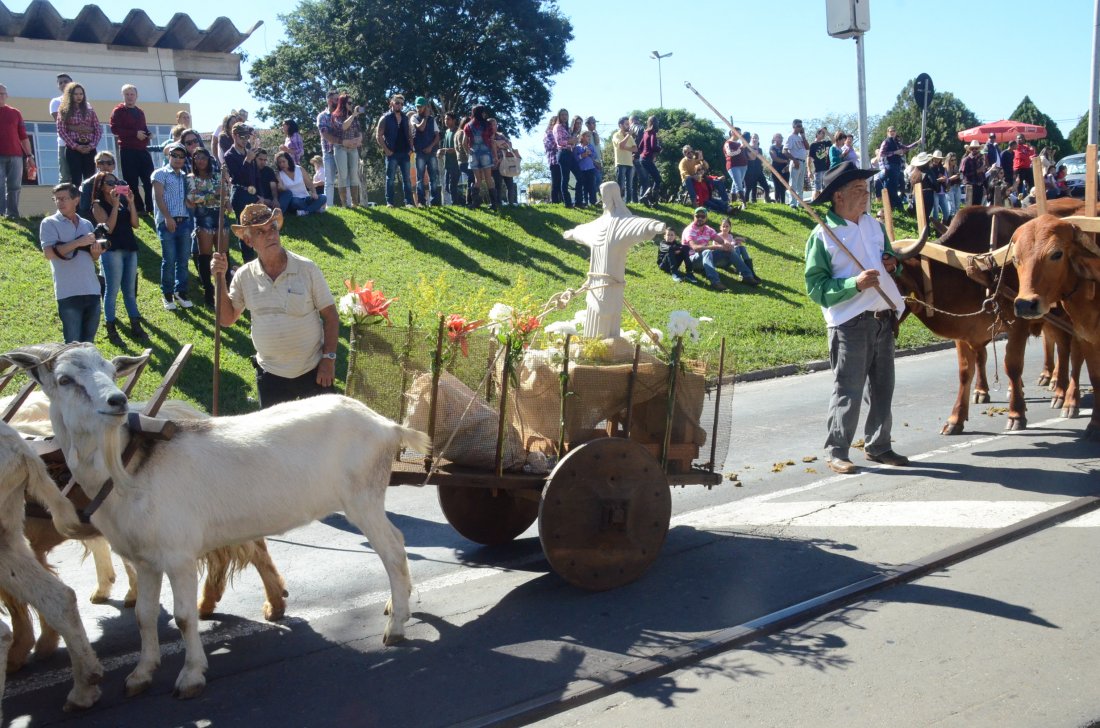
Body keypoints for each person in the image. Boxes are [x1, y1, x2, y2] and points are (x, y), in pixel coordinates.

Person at [804, 161, 908, 474]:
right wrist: (854, 284)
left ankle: (879, 445)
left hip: (882, 315)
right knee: (847, 389)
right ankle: (837, 450)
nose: (866, 196)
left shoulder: (874, 226)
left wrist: (892, 265)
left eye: (866, 189)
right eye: (858, 190)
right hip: (848, 322)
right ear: (838, 196)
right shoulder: (823, 235)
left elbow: (891, 263)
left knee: (882, 387)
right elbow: (817, 288)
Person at [211, 204, 339, 409]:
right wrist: (219, 278)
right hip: (271, 375)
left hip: (314, 371)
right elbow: (226, 319)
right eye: (260, 232)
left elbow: (331, 316)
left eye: (272, 228)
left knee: (326, 437)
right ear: (248, 240)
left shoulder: (306, 268)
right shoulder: (244, 276)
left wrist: (329, 360)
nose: (270, 235)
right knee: (277, 441)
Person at [40, 183, 103, 343]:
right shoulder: (49, 223)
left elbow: (91, 258)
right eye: (56, 199)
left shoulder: (86, 224)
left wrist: (96, 253)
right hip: (68, 292)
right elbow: (48, 254)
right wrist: (78, 242)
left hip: (92, 290)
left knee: (89, 343)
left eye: (63, 199)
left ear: (76, 200)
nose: (59, 203)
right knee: (72, 344)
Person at [91, 167, 145, 343]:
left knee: (129, 290)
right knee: (112, 291)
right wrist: (114, 206)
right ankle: (111, 328)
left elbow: (135, 224)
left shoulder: (121, 201)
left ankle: (135, 325)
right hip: (112, 250)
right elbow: (109, 228)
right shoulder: (97, 205)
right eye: (110, 182)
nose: (115, 185)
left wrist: (130, 202)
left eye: (117, 182)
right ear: (101, 186)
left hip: (129, 247)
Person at [152, 142, 194, 310]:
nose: (177, 159)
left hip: (184, 221)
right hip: (166, 221)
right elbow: (158, 197)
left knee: (183, 260)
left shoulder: (185, 176)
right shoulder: (160, 174)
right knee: (169, 260)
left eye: (181, 156)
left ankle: (180, 292)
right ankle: (167, 294)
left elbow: (189, 201)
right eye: (174, 155)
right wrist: (168, 218)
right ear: (168, 156)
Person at [683, 207, 759, 291]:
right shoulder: (689, 230)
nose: (700, 218)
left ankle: (747, 276)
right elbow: (695, 248)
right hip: (692, 260)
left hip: (704, 258)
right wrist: (716, 247)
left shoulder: (708, 229)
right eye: (697, 216)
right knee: (707, 252)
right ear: (693, 216)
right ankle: (715, 282)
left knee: (729, 250)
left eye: (703, 216)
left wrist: (727, 244)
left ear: (706, 218)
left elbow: (719, 240)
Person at [185, 146, 224, 306]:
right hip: (203, 218)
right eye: (197, 157)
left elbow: (224, 193)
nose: (200, 160)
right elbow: (192, 197)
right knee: (205, 256)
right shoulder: (190, 178)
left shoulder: (216, 175)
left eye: (203, 157)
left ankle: (224, 287)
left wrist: (209, 196)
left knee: (223, 254)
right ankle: (208, 289)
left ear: (209, 160)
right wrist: (214, 194)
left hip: (220, 217)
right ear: (193, 160)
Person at [109, 84, 155, 214]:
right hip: (128, 150)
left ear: (136, 96)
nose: (129, 97)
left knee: (149, 180)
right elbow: (115, 129)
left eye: (132, 94)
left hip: (142, 150)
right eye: (127, 94)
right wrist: (134, 133)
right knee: (132, 182)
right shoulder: (118, 111)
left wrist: (148, 134)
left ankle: (151, 207)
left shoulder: (140, 112)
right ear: (123, 96)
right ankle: (138, 208)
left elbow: (143, 128)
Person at [223, 121, 261, 262]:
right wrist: (247, 160)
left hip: (253, 194)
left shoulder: (249, 151)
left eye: (247, 137)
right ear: (234, 135)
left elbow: (257, 175)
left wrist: (260, 195)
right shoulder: (229, 155)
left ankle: (259, 259)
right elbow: (237, 177)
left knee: (257, 228)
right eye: (242, 137)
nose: (245, 140)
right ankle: (248, 262)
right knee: (245, 231)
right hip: (239, 194)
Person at [376, 94, 414, 207]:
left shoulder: (406, 118)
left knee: (407, 179)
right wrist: (386, 150)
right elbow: (378, 136)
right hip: (392, 153)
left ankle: (409, 202)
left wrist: (411, 149)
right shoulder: (385, 118)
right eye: (397, 103)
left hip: (405, 152)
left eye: (402, 104)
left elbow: (410, 135)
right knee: (390, 179)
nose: (400, 105)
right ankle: (390, 202)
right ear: (391, 103)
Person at [0, 84, 32, 218]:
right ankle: (1, 215)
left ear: (7, 96)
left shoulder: (15, 113)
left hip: (16, 155)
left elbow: (23, 136)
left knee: (14, 186)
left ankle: (13, 214)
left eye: (3, 93)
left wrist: (29, 155)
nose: (1, 96)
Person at [464, 105, 499, 210]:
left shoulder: (468, 125)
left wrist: (468, 151)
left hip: (474, 154)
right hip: (485, 153)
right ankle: (494, 204)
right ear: (482, 113)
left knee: (477, 179)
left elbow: (464, 142)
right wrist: (495, 155)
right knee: (489, 178)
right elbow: (492, 141)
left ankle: (475, 203)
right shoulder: (488, 125)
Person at [877, 126, 920, 211]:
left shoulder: (897, 142)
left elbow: (906, 148)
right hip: (890, 166)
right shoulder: (886, 142)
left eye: (893, 131)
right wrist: (894, 152)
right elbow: (881, 154)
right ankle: (899, 206)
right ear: (887, 133)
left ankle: (892, 206)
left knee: (892, 186)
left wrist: (917, 143)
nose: (892, 132)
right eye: (890, 131)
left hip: (896, 166)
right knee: (891, 186)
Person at [331, 93, 363, 207]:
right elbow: (343, 126)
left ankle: (355, 203)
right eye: (349, 103)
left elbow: (359, 132)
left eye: (352, 103)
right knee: (343, 175)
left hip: (353, 149)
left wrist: (359, 139)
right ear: (343, 103)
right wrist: (353, 115)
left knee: (354, 174)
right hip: (341, 149)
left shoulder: (354, 117)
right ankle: (344, 203)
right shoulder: (336, 116)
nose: (351, 105)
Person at [410, 97, 441, 207]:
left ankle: (435, 201)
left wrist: (431, 146)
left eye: (420, 106)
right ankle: (421, 202)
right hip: (420, 153)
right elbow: (421, 128)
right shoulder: (414, 118)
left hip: (431, 152)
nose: (418, 108)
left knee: (433, 177)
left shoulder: (432, 120)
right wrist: (425, 117)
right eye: (417, 106)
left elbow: (437, 136)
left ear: (426, 107)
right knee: (420, 178)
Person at [274, 150, 325, 216]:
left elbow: (309, 184)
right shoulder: (279, 174)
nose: (281, 164)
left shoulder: (299, 169)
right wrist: (280, 188)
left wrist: (314, 193)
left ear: (288, 160)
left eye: (283, 161)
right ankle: (314, 209)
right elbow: (281, 188)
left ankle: (305, 211)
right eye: (279, 163)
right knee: (295, 202)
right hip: (294, 200)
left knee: (323, 197)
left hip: (306, 197)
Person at [715, 216, 760, 283]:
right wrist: (733, 244)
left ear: (730, 227)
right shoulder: (717, 236)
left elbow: (733, 242)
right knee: (736, 248)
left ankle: (751, 272)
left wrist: (735, 242)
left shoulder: (730, 236)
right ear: (720, 227)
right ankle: (742, 273)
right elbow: (715, 247)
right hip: (721, 260)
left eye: (727, 226)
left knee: (742, 248)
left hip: (730, 258)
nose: (725, 228)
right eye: (723, 226)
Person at [316, 90, 339, 207]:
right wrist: (340, 141)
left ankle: (349, 204)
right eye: (336, 99)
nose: (338, 101)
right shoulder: (322, 116)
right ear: (330, 101)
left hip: (342, 152)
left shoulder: (340, 116)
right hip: (329, 152)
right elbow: (325, 134)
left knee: (346, 179)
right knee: (329, 181)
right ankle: (329, 206)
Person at [49, 73, 73, 184]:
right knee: (65, 176)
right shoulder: (56, 102)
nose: (63, 84)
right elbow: (60, 123)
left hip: (83, 144)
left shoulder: (82, 102)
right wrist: (79, 127)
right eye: (60, 82)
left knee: (83, 176)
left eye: (66, 81)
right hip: (65, 144)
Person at [490, 118, 519, 206]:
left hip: (506, 163)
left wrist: (498, 143)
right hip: (495, 165)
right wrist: (501, 144)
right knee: (497, 185)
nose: (493, 126)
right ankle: (498, 203)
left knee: (510, 184)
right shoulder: (485, 137)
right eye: (491, 125)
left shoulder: (501, 135)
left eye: (495, 124)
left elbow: (509, 144)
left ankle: (511, 202)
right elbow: (490, 145)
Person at [552, 108, 577, 207]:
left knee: (579, 176)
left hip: (570, 153)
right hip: (563, 153)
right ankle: (567, 202)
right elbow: (559, 142)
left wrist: (574, 140)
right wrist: (570, 141)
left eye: (566, 115)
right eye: (562, 115)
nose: (564, 117)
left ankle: (579, 200)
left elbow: (573, 140)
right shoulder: (557, 127)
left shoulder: (566, 128)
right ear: (559, 116)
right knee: (565, 178)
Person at [784, 119, 810, 209]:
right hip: (796, 162)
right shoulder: (790, 137)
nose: (800, 128)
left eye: (801, 126)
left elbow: (807, 147)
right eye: (798, 126)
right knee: (793, 184)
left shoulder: (800, 137)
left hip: (803, 162)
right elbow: (785, 151)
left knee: (800, 185)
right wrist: (794, 160)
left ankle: (800, 203)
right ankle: (793, 204)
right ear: (794, 126)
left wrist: (803, 135)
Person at [637, 116, 662, 207]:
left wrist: (643, 153)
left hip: (642, 159)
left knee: (647, 180)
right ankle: (652, 199)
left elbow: (640, 147)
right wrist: (659, 149)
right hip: (647, 159)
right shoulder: (652, 133)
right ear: (655, 123)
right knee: (658, 179)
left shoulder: (645, 132)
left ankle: (647, 197)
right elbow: (653, 146)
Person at [611, 117, 637, 203]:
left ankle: (628, 202)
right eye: (626, 124)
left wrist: (624, 147)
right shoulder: (616, 135)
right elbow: (620, 145)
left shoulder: (629, 136)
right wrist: (628, 136)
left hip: (629, 163)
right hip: (620, 163)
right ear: (620, 125)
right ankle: (620, 202)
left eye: (628, 124)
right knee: (621, 185)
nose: (628, 126)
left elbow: (635, 149)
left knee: (629, 185)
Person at [743, 132, 772, 203]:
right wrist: (754, 151)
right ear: (750, 139)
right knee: (749, 188)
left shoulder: (760, 149)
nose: (754, 139)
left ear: (758, 140)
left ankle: (767, 199)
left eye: (756, 138)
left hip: (759, 170)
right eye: (753, 138)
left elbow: (761, 159)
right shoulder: (747, 148)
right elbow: (752, 157)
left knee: (766, 187)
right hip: (749, 170)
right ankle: (746, 202)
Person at [440, 111, 462, 205]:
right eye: (445, 119)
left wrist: (444, 150)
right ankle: (458, 202)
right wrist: (441, 152)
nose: (446, 121)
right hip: (447, 164)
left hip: (456, 163)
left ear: (454, 120)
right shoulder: (446, 132)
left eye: (448, 119)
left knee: (453, 185)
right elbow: (445, 147)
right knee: (446, 187)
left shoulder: (458, 132)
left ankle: (456, 203)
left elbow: (458, 149)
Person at [573, 130, 597, 209]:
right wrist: (582, 155)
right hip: (582, 170)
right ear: (582, 137)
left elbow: (595, 156)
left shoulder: (591, 146)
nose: (589, 138)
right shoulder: (577, 147)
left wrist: (590, 153)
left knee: (592, 186)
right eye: (587, 136)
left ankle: (593, 202)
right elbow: (575, 159)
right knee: (584, 187)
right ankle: (585, 202)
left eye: (589, 136)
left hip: (591, 169)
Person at [723, 129, 748, 202]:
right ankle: (743, 202)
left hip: (743, 165)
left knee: (735, 183)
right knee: (738, 184)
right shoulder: (728, 143)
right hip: (733, 166)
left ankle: (733, 201)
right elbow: (729, 153)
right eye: (738, 133)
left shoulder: (739, 144)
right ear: (733, 133)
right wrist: (740, 148)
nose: (740, 135)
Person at [960, 140, 987, 206]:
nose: (974, 150)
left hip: (979, 186)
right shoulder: (966, 160)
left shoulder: (980, 159)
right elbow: (964, 174)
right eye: (972, 148)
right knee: (970, 206)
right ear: (970, 149)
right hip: (970, 186)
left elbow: (983, 174)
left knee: (978, 206)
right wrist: (977, 171)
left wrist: (985, 186)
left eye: (976, 148)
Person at [542, 113, 562, 205]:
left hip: (561, 160)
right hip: (554, 161)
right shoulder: (548, 133)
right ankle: (555, 201)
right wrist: (561, 142)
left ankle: (562, 200)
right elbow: (553, 145)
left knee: (562, 181)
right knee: (556, 182)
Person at [927, 150, 950, 224]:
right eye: (935, 158)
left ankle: (942, 226)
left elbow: (946, 179)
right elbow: (930, 181)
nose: (937, 160)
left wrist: (945, 180)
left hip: (942, 192)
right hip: (934, 191)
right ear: (933, 158)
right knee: (936, 211)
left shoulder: (943, 168)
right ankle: (936, 227)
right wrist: (938, 179)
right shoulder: (930, 168)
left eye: (938, 158)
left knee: (946, 212)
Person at [809, 127, 831, 197]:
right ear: (817, 134)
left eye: (824, 133)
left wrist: (827, 132)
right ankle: (815, 202)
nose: (824, 135)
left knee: (824, 188)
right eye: (822, 133)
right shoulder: (813, 145)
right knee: (817, 188)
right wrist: (809, 171)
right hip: (817, 169)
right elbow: (809, 158)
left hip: (825, 168)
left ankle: (822, 202)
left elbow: (834, 140)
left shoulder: (825, 143)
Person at [769, 133, 790, 205]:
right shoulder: (772, 147)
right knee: (777, 186)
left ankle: (783, 202)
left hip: (785, 169)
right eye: (778, 137)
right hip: (776, 170)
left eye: (781, 137)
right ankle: (777, 202)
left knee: (783, 186)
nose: (780, 139)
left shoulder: (785, 147)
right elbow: (774, 158)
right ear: (774, 139)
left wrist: (788, 165)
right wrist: (785, 161)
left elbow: (789, 157)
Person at [584, 116, 602, 191]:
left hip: (598, 162)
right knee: (592, 183)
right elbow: (586, 150)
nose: (594, 124)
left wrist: (600, 162)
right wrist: (594, 162)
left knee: (599, 183)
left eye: (595, 123)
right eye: (593, 123)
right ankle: (590, 201)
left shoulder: (595, 133)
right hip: (590, 163)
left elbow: (598, 147)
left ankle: (595, 201)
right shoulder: (585, 134)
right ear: (587, 124)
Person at [944, 151, 962, 216]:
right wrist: (952, 178)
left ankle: (956, 223)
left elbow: (960, 179)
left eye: (955, 159)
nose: (954, 161)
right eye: (952, 160)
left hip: (957, 187)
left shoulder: (956, 167)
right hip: (949, 188)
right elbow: (944, 181)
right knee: (952, 208)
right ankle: (950, 223)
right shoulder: (944, 168)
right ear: (948, 160)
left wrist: (960, 177)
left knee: (957, 206)